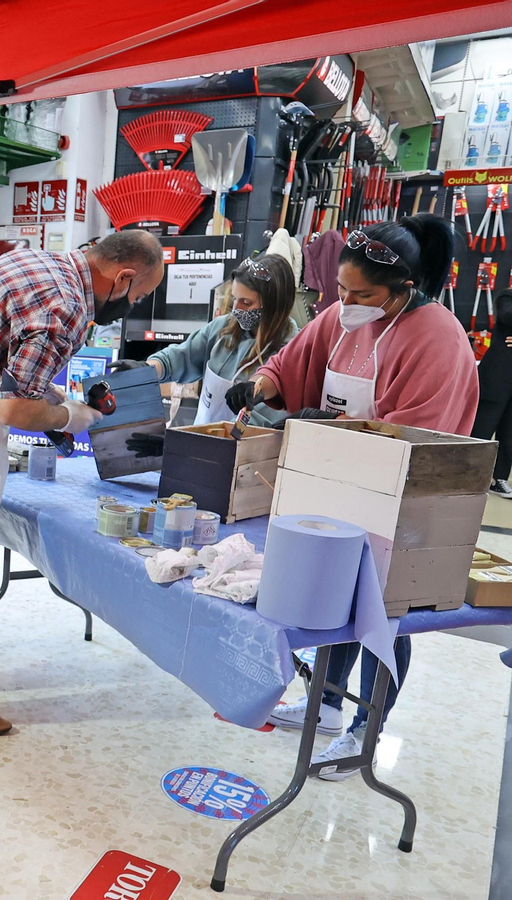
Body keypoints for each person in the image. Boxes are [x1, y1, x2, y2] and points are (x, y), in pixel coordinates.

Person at [0, 230, 166, 736]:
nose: (132, 306)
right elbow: (15, 408)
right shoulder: (66, 308)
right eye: (139, 296)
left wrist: (56, 398)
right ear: (123, 277)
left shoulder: (33, 264)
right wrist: (69, 417)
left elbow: (11, 366)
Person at [228, 215, 473, 780]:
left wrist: (327, 429)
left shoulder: (437, 337)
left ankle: (369, 731)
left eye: (363, 294)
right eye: (342, 289)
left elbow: (417, 435)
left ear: (404, 288)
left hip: (405, 501)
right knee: (336, 598)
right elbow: (292, 360)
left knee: (383, 613)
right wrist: (261, 384)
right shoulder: (341, 316)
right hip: (338, 484)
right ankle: (331, 706)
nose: (347, 302)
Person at [119, 253, 298, 458]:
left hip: (245, 462)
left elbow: (255, 428)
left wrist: (179, 444)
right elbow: (180, 357)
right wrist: (148, 369)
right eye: (234, 299)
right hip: (197, 451)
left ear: (274, 306)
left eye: (246, 303)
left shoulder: (290, 353)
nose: (236, 309)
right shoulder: (224, 329)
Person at [471, 291, 512, 498]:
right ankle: (470, 473)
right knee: (482, 428)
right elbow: (506, 316)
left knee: (509, 433)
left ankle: (500, 478)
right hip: (496, 376)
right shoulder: (507, 297)